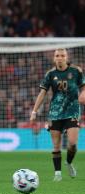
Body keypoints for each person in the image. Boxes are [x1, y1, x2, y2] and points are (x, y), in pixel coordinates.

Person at [30, 48, 85, 182]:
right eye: (57, 55)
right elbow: (42, 93)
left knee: (72, 143)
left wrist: (83, 93)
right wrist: (34, 111)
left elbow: (83, 87)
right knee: (56, 145)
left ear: (66, 57)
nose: (60, 57)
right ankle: (58, 174)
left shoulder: (76, 71)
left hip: (72, 110)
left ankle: (69, 162)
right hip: (55, 112)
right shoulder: (50, 74)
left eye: (62, 55)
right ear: (54, 58)